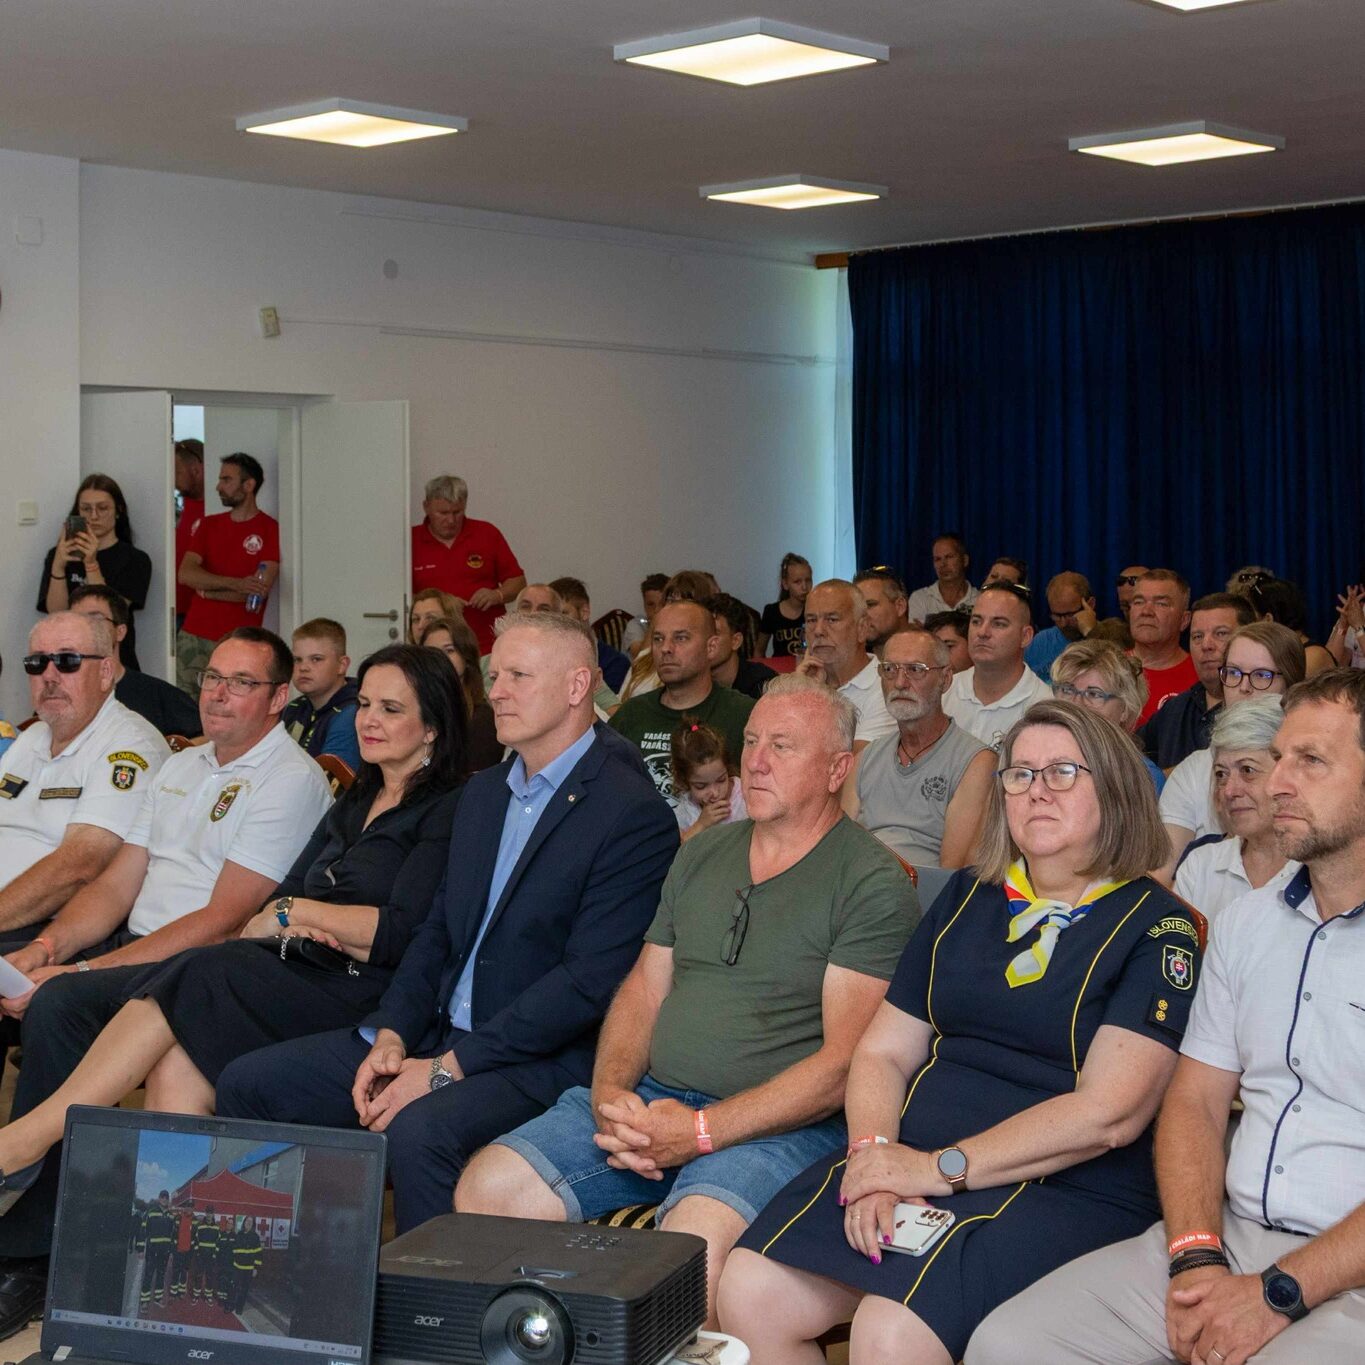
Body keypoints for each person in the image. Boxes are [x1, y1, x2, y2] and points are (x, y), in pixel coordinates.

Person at [721, 700, 1199, 1365]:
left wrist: (935, 1168)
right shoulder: (969, 894)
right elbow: (883, 1052)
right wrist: (873, 1156)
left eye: (1062, 772)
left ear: (1115, 788)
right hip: (912, 1154)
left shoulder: (1157, 927)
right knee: (748, 1290)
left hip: (1061, 1183)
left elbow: (1109, 1114)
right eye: (1019, 774)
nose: (1036, 791)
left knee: (890, 1330)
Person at [456, 675, 919, 1321]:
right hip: (656, 1101)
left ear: (837, 769)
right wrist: (612, 1095)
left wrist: (701, 1132)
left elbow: (844, 1064)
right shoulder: (703, 853)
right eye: (750, 741)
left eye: (782, 746)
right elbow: (644, 990)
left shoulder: (869, 880)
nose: (754, 761)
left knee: (687, 1255)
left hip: (779, 1129)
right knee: (486, 1189)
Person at [215, 610, 679, 1235]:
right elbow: (437, 930)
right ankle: (301, 1276)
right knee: (250, 1083)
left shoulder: (628, 810)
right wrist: (392, 1034)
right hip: (436, 1032)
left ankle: (429, 1297)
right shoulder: (484, 793)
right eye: (494, 675)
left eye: (517, 676)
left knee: (419, 1131)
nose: (497, 692)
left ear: (577, 687)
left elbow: (586, 984)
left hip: (536, 1058)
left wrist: (444, 1070)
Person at [967, 668, 1365, 1365]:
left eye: (1310, 761)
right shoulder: (1246, 923)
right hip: (1232, 1234)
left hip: (1350, 1266)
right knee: (1008, 1345)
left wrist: (1277, 1293)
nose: (1276, 783)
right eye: (1278, 757)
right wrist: (1195, 1254)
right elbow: (1195, 1100)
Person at [0, 629, 333, 1300]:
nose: (219, 694)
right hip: (139, 945)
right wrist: (47, 949)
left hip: (207, 965)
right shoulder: (182, 766)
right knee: (36, 983)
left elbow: (223, 919)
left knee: (60, 1005)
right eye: (212, 678)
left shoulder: (288, 779)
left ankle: (31, 1253)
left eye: (241, 683)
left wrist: (85, 973)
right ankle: (48, 1224)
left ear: (277, 699)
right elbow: (116, 886)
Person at [0, 613, 167, 945]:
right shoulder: (32, 738)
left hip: (43, 930)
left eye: (67, 661)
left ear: (105, 672)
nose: (49, 676)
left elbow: (80, 867)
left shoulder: (129, 747)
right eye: (37, 663)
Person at [842, 629, 994, 876]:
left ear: (945, 679)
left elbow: (951, 875)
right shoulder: (866, 759)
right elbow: (839, 850)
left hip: (925, 893)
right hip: (858, 888)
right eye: (890, 669)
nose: (900, 683)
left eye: (915, 670)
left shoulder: (975, 762)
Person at [1160, 622, 1305, 872]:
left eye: (1261, 675)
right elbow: (1163, 873)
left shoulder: (1309, 768)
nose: (1244, 687)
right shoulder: (1193, 770)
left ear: (1292, 685)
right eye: (1234, 673)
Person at [610, 600, 754, 803]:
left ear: (711, 647)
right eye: (658, 639)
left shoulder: (743, 715)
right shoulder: (631, 714)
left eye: (681, 638)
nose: (665, 648)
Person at [1174, 697, 1296, 924]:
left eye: (1247, 770)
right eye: (1221, 774)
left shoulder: (1318, 871)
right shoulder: (1201, 867)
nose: (1229, 791)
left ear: (1288, 773)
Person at [176, 453, 280, 695]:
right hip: (194, 634)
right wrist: (237, 584)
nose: (218, 487)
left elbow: (256, 594)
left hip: (240, 640)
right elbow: (186, 574)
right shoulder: (208, 525)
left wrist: (206, 592)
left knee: (232, 703)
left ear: (249, 485)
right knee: (183, 704)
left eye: (226, 480)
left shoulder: (270, 529)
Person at [38, 474, 152, 672]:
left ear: (119, 510)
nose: (94, 516)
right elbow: (56, 613)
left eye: (103, 508)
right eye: (86, 509)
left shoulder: (136, 559)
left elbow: (111, 613)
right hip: (69, 659)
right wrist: (58, 566)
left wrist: (91, 564)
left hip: (116, 660)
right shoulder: (59, 555)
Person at [1136, 592, 1255, 771]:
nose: (1206, 645)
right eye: (1197, 636)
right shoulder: (1175, 709)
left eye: (1221, 634)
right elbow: (1126, 758)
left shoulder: (1263, 711)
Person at [410, 474, 526, 655]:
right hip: (433, 649)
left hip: (487, 646)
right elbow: (400, 596)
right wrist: (443, 603)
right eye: (443, 513)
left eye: (457, 512)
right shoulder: (411, 541)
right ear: (426, 507)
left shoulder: (487, 533)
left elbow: (518, 582)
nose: (451, 520)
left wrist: (497, 595)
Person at [69, 586, 203, 739]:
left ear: (120, 632)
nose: (84, 628)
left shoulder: (156, 695)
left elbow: (208, 738)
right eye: (75, 621)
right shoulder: (58, 691)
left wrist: (164, 751)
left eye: (96, 619)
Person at [943, 583, 1052, 751]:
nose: (983, 632)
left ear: (1025, 636)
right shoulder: (943, 691)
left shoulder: (1043, 707)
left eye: (999, 624)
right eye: (976, 621)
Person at [1051, 638, 1166, 792]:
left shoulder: (1144, 779)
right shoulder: (1034, 758)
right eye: (1067, 690)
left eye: (1094, 694)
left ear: (1125, 709)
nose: (1076, 704)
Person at [798, 580, 897, 749]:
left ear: (862, 628)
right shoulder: (804, 682)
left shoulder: (886, 687)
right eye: (811, 620)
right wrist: (800, 692)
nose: (818, 630)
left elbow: (852, 761)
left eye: (832, 619)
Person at [418, 616, 502, 773]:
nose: (440, 658)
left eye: (449, 650)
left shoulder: (483, 719)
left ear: (466, 657)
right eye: (431, 652)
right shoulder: (414, 712)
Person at [282, 618, 360, 771]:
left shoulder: (351, 714)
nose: (303, 667)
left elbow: (331, 779)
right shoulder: (295, 708)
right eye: (297, 660)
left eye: (316, 659)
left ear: (342, 665)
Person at [1129, 570, 1197, 725]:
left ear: (1184, 620)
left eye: (1161, 604)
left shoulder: (1202, 678)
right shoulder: (1107, 670)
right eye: (1139, 602)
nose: (1146, 612)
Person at [550, 576, 630, 694]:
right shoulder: (540, 657)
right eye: (551, 614)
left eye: (564, 613)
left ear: (584, 612)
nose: (556, 621)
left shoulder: (615, 664)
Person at [670, 720, 747, 842]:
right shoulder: (687, 810)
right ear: (684, 781)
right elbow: (681, 848)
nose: (715, 793)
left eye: (721, 780)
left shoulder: (745, 794)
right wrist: (701, 824)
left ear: (727, 769)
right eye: (701, 786)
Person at [1246, 576, 1336, 678]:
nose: (1249, 625)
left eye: (1253, 618)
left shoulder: (1312, 656)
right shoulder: (1281, 653)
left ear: (1268, 620)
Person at [1025, 572, 1099, 682]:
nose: (1063, 623)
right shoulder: (1040, 642)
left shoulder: (1110, 636)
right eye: (1057, 615)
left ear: (1090, 605)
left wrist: (1091, 632)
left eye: (1070, 615)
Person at [707, 593, 777, 700]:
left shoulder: (762, 685)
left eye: (715, 633)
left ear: (736, 641)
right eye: (702, 632)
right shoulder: (690, 682)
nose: (705, 640)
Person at [907, 533, 977, 623]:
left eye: (949, 557)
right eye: (937, 559)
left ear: (965, 560)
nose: (943, 564)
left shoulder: (979, 599)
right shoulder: (920, 598)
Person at [173, 439, 206, 630]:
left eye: (177, 472)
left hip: (198, 613)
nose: (173, 480)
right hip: (173, 609)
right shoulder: (180, 507)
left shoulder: (213, 511)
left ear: (196, 470)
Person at [758, 553, 813, 658]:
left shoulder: (816, 610)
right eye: (797, 582)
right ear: (785, 584)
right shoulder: (772, 611)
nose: (804, 587)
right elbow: (759, 650)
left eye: (808, 580)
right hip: (779, 667)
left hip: (807, 665)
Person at [855, 568, 912, 657]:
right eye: (857, 608)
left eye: (870, 605)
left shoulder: (930, 657)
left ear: (900, 606)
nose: (861, 615)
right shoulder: (848, 661)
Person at [135, 1190, 175, 1312]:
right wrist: (140, 1249)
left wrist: (171, 1251)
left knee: (161, 1276)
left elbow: (173, 1235)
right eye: (162, 1197)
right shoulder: (151, 1212)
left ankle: (158, 1298)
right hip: (152, 1251)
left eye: (166, 1197)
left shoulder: (170, 1216)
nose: (164, 1199)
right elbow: (143, 1230)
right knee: (148, 1276)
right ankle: (144, 1302)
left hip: (164, 1252)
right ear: (159, 1198)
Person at [622, 573, 669, 658]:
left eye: (662, 604)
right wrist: (655, 623)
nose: (656, 609)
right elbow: (641, 657)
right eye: (650, 604)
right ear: (644, 604)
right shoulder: (636, 625)